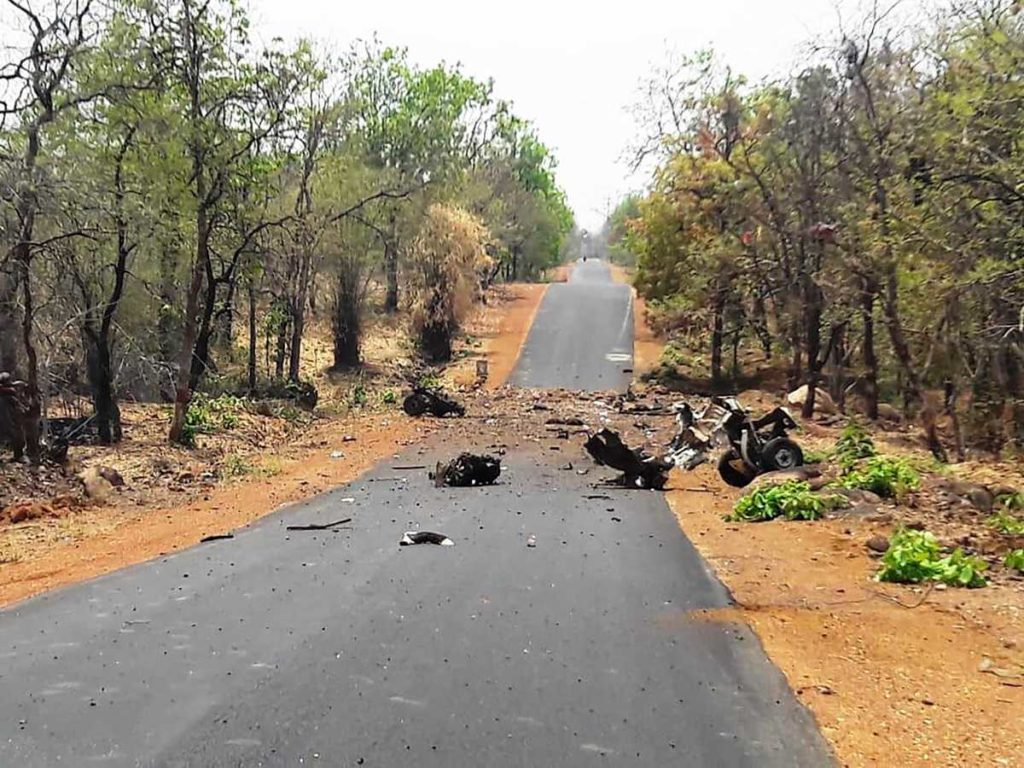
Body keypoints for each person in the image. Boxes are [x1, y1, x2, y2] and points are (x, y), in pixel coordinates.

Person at [0, 372, 37, 462]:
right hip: (9, 424)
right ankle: (19, 455)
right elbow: (22, 411)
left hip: (8, 424)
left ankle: (18, 455)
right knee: (17, 436)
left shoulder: (11, 395)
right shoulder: (10, 397)